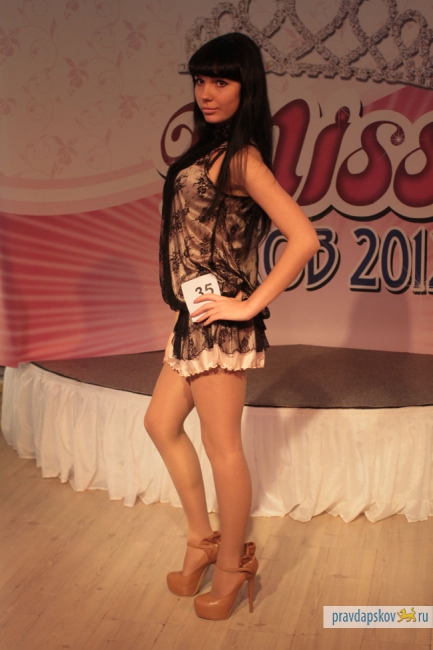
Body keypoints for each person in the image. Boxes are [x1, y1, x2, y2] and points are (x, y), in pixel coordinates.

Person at [144, 32, 320, 621]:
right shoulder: (208, 152)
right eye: (200, 81)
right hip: (192, 318)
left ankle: (231, 566)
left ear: (246, 88)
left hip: (220, 327)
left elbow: (304, 238)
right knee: (160, 423)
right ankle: (202, 541)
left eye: (220, 81)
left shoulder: (243, 158)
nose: (206, 93)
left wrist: (248, 307)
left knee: (223, 449)